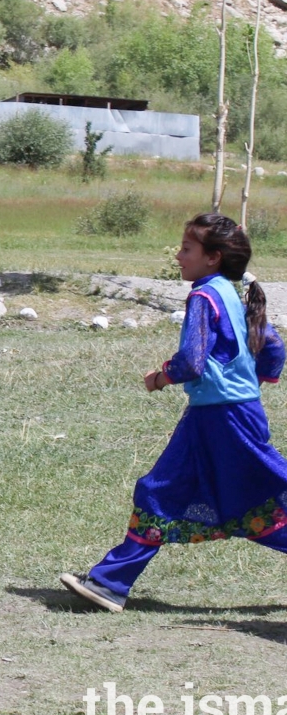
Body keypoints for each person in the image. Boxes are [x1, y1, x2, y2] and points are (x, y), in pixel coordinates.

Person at [62, 214, 287, 612]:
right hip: (222, 414)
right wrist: (258, 378)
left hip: (224, 419)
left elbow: (192, 361)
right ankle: (109, 582)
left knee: (258, 498)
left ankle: (110, 581)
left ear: (212, 258)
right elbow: (272, 346)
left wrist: (160, 378)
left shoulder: (204, 296)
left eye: (187, 249)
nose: (179, 255)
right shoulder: (232, 293)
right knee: (165, 492)